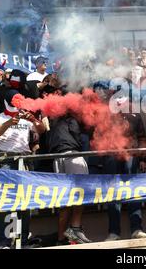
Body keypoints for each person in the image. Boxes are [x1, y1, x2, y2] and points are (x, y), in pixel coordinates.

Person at [0, 89, 45, 249]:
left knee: (25, 203)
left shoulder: (26, 117)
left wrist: (34, 119)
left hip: (25, 161)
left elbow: (41, 130)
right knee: (5, 202)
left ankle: (24, 240)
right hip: (6, 160)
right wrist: (8, 123)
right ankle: (4, 242)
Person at [46, 89, 91, 245]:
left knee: (65, 200)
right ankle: (75, 229)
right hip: (72, 155)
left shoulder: (54, 119)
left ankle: (61, 239)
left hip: (57, 158)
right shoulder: (71, 119)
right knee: (80, 193)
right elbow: (80, 136)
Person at [104, 87, 146, 241]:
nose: (119, 100)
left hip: (131, 156)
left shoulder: (135, 115)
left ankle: (136, 229)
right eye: (115, 97)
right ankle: (113, 232)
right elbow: (100, 135)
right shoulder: (108, 115)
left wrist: (143, 158)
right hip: (112, 156)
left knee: (133, 192)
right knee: (113, 194)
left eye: (122, 97)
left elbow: (142, 138)